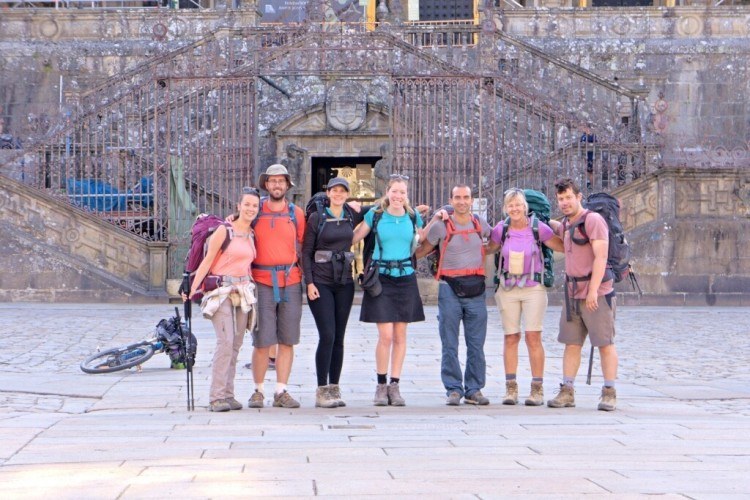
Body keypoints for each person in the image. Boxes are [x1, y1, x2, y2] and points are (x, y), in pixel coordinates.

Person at [416, 185, 492, 406]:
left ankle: (474, 388)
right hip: (449, 288)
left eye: (466, 197)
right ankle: (453, 389)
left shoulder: (480, 224)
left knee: (476, 344)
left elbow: (496, 242)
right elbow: (422, 249)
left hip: (476, 289)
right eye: (457, 197)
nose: (462, 201)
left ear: (471, 200)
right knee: (449, 343)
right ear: (451, 199)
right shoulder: (441, 225)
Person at [485, 189, 563, 407]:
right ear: (505, 208)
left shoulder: (538, 228)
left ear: (525, 206)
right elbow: (487, 249)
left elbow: (563, 246)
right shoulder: (502, 229)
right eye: (511, 205)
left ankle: (536, 389)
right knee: (510, 337)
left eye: (518, 204)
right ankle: (511, 388)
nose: (515, 208)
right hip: (508, 288)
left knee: (533, 336)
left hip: (533, 288)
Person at [352, 174, 425, 407]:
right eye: (394, 191)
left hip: (405, 277)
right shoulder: (376, 215)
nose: (398, 196)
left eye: (402, 192)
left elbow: (422, 240)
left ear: (406, 195)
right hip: (381, 278)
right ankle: (381, 385)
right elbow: (355, 237)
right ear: (387, 192)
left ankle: (395, 385)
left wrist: (441, 217)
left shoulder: (413, 217)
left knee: (400, 336)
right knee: (385, 336)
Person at [185, 187, 260, 412]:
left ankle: (228, 393)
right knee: (225, 342)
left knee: (236, 344)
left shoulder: (251, 234)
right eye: (246, 204)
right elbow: (207, 261)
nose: (250, 209)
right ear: (238, 206)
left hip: (242, 291)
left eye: (254, 206)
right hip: (221, 290)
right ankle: (216, 396)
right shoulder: (223, 231)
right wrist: (192, 288)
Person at [547, 177, 619, 411]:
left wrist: (593, 291)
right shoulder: (567, 224)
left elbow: (601, 256)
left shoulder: (593, 220)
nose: (565, 202)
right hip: (572, 293)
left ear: (578, 197)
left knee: (604, 343)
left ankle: (609, 392)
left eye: (569, 197)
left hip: (596, 293)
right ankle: (567, 391)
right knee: (571, 343)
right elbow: (561, 240)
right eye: (561, 199)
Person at [302, 177, 365, 408]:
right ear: (327, 193)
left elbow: (381, 208)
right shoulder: (317, 217)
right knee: (327, 335)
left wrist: (413, 211)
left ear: (348, 194)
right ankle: (321, 389)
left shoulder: (351, 214)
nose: (338, 194)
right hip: (321, 282)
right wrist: (309, 283)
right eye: (334, 190)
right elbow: (306, 252)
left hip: (344, 283)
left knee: (339, 337)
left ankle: (334, 387)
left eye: (342, 191)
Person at [249, 164, 306, 409]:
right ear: (265, 184)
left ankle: (281, 390)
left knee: (287, 339)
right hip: (261, 281)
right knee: (262, 340)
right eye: (272, 181)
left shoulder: (296, 214)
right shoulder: (254, 211)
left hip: (290, 281)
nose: (276, 185)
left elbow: (303, 247)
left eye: (281, 181)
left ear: (287, 185)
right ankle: (258, 390)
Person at [580, 124, 597, 190]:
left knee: (590, 171)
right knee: (586, 170)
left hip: (591, 155)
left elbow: (596, 144)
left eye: (585, 128)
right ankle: (588, 183)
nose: (584, 129)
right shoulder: (583, 136)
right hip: (584, 155)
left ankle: (592, 185)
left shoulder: (592, 136)